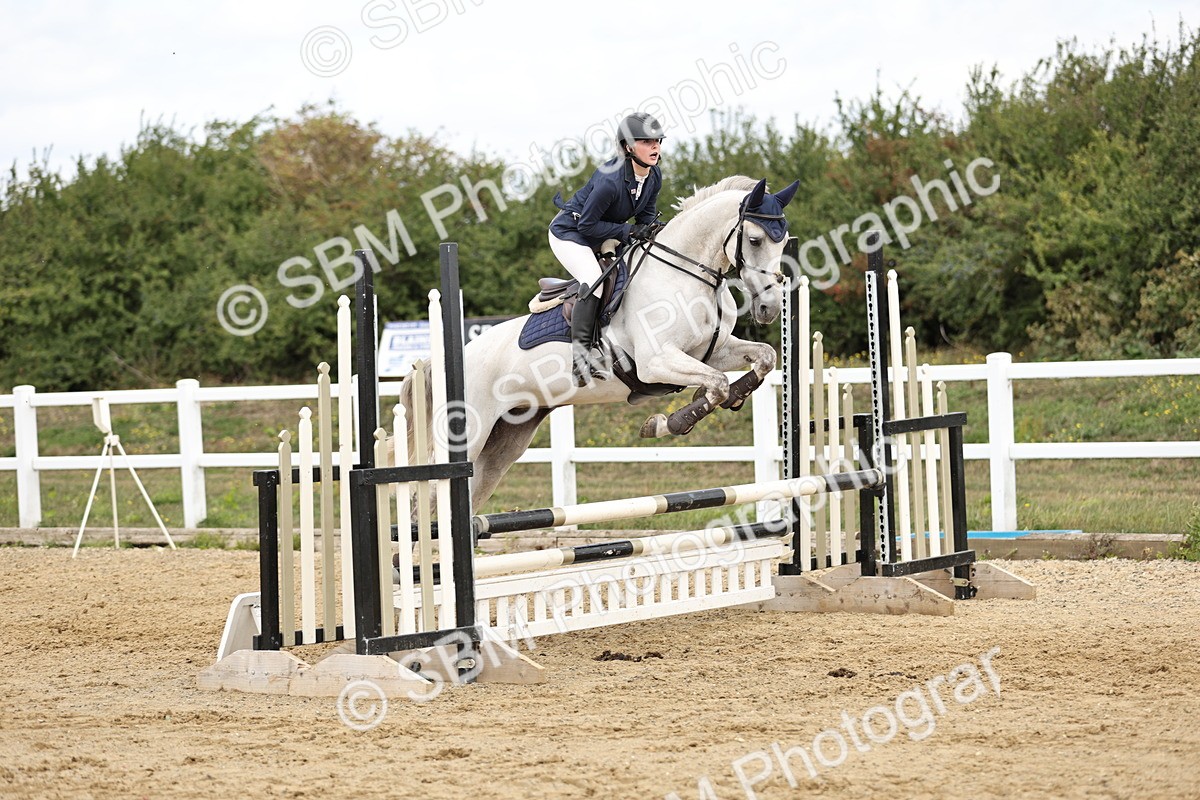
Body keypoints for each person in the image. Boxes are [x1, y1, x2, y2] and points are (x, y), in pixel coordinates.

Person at [549, 112, 666, 385]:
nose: (655, 147)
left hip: (603, 233)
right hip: (570, 234)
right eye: (646, 141)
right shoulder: (609, 181)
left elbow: (646, 217)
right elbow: (587, 227)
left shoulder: (653, 176)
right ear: (628, 147)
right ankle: (580, 358)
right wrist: (628, 231)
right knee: (594, 280)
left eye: (657, 141)